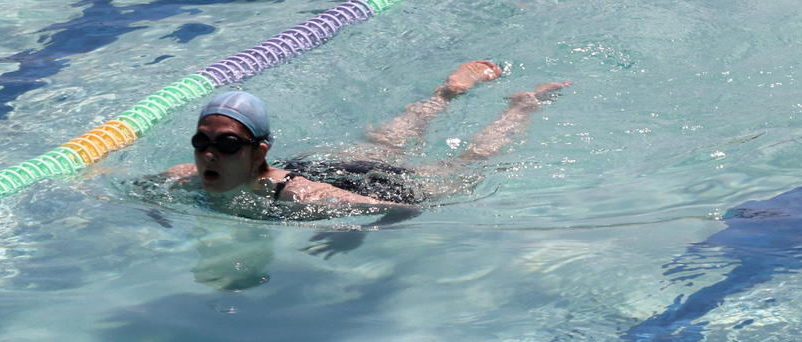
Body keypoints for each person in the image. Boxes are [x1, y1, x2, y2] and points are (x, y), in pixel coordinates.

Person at [162, 67, 569, 215]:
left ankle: (523, 105)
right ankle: (446, 93)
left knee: (466, 166)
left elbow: (400, 208)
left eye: (228, 144)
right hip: (323, 162)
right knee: (386, 140)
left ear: (258, 151)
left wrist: (354, 228)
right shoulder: (186, 175)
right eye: (202, 142)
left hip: (363, 181)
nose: (210, 154)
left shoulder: (300, 196)